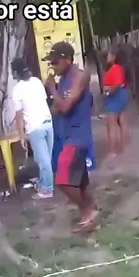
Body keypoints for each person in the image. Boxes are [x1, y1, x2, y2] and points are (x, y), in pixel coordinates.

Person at [44, 42, 98, 232]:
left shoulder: (80, 76)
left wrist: (52, 89)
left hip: (78, 137)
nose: (53, 66)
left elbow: (65, 107)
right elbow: (57, 109)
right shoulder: (64, 80)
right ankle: (91, 212)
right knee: (80, 182)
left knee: (62, 181)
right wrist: (56, 97)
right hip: (67, 136)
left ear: (67, 59)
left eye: (55, 62)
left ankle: (86, 211)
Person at [11, 57, 54, 200]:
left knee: (43, 161)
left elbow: (19, 115)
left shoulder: (17, 89)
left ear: (15, 73)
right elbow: (44, 101)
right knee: (46, 159)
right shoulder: (37, 81)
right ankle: (43, 184)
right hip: (48, 122)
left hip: (35, 126)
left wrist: (21, 135)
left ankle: (47, 190)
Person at [103, 48, 129, 156]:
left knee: (112, 124)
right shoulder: (117, 68)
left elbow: (117, 84)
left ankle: (112, 151)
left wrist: (109, 92)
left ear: (114, 57)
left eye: (108, 55)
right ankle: (124, 147)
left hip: (115, 96)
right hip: (120, 94)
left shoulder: (115, 68)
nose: (107, 57)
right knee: (122, 121)